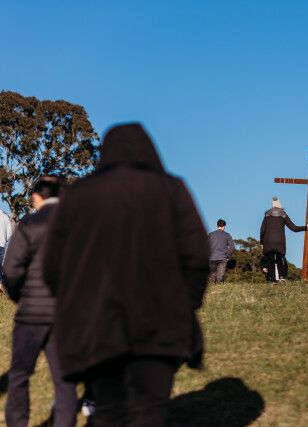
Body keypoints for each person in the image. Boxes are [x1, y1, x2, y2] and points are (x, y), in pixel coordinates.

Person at [42, 123, 210, 426]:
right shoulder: (171, 189)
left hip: (96, 323)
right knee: (151, 409)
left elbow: (52, 265)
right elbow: (197, 253)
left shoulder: (79, 195)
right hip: (160, 321)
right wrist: (185, 304)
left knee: (108, 412)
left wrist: (76, 305)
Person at [3, 176, 77, 427]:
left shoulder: (29, 223)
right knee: (64, 380)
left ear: (37, 196)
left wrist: (19, 297)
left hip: (31, 313)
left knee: (19, 376)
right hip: (65, 313)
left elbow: (11, 269)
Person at [260, 196, 308, 282]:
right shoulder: (283, 215)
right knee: (279, 259)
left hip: (268, 241)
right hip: (280, 241)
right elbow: (294, 228)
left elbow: (262, 230)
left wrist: (262, 242)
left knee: (270, 260)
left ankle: (272, 280)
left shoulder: (267, 215)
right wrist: (306, 228)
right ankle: (281, 277)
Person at [208, 219, 235, 284]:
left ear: (217, 226)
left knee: (213, 276)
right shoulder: (227, 235)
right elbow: (232, 247)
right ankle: (219, 288)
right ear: (224, 226)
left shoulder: (211, 234)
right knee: (220, 277)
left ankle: (214, 288)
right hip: (222, 258)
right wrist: (228, 256)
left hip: (212, 258)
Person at [0, 208, 13, 292]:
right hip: (2, 245)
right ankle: (2, 285)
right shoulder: (5, 217)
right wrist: (4, 240)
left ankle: (2, 285)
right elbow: (10, 232)